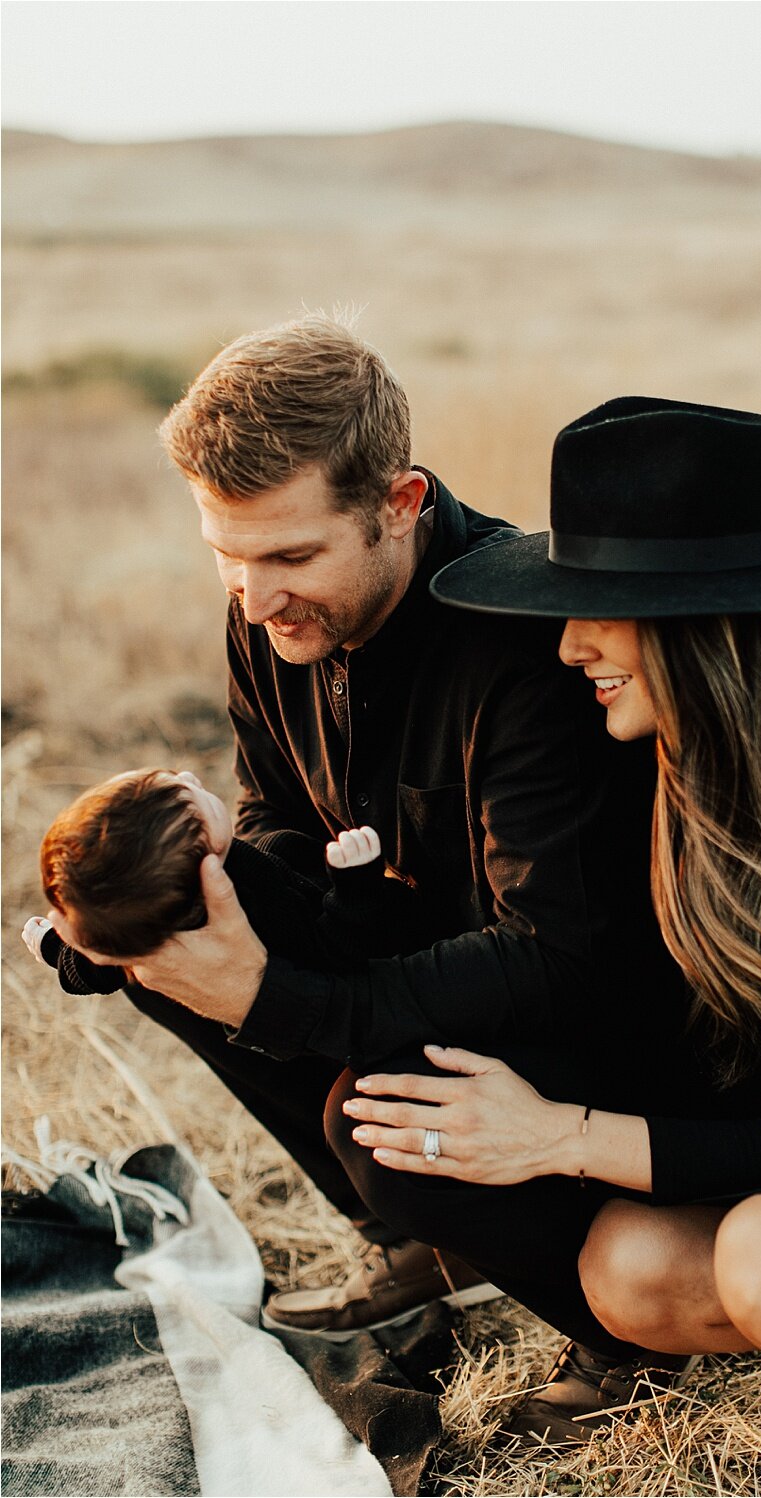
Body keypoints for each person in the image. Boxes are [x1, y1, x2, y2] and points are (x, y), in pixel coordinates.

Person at [327, 397, 761, 1494]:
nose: (567, 643)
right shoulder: (668, 780)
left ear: (708, 626)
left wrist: (558, 1137)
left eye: (602, 610)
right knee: (628, 1272)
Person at [45, 317, 664, 1341]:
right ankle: (431, 1247)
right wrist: (205, 888)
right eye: (226, 558)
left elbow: (565, 956)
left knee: (375, 1126)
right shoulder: (270, 608)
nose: (254, 597)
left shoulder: (524, 642)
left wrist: (283, 997)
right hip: (414, 960)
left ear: (400, 504)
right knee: (152, 923)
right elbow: (278, 813)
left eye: (290, 553)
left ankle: (610, 1333)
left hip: (591, 1021)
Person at [22, 768, 427, 994]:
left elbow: (111, 960)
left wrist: (61, 949)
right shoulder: (261, 907)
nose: (191, 775)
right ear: (207, 856)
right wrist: (356, 885)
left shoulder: (164, 922)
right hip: (403, 963)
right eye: (187, 792)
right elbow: (335, 951)